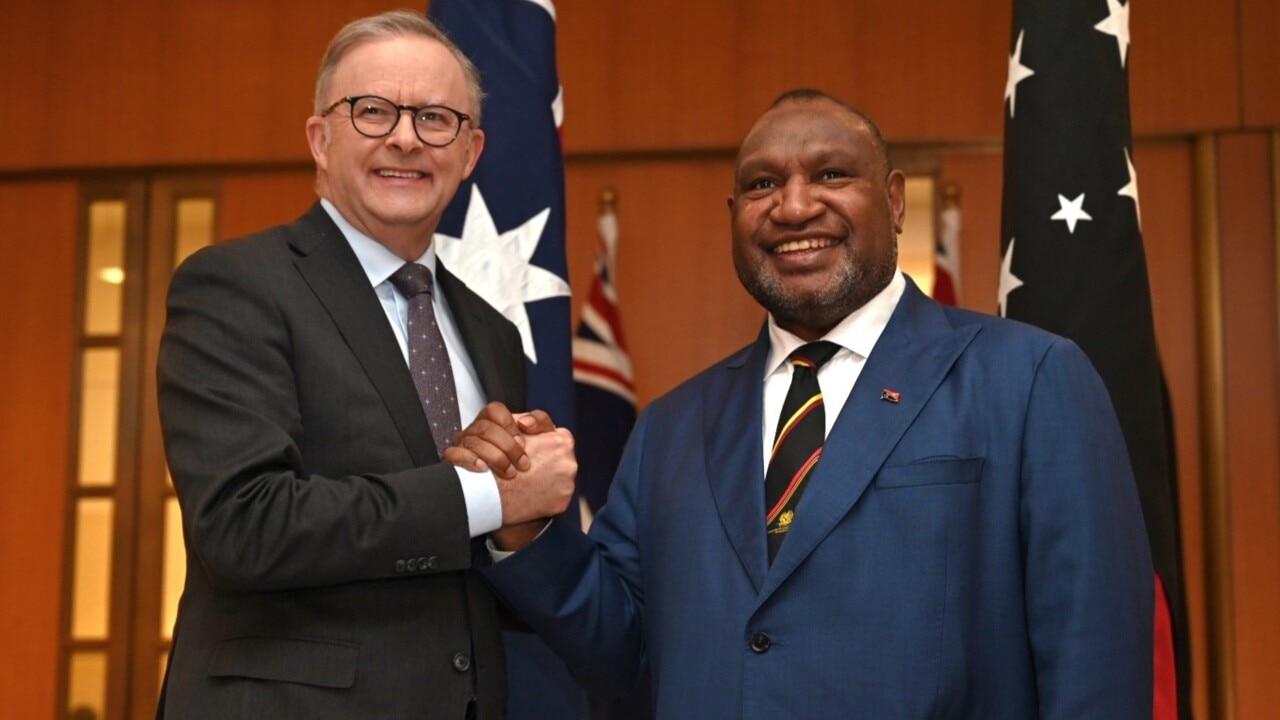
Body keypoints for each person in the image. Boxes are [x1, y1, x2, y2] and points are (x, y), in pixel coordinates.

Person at [459, 89, 1155, 718]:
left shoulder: (1030, 379)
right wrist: (527, 529)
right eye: (763, 184)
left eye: (831, 174)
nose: (794, 207)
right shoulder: (672, 427)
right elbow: (620, 652)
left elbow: (1093, 654)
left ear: (895, 200)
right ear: (735, 217)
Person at [155, 10, 574, 719]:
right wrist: (486, 499)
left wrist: (518, 533)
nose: (405, 138)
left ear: (470, 152)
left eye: (435, 118)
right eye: (373, 111)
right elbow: (243, 526)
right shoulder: (235, 284)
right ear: (320, 138)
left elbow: (464, 564)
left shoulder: (493, 331)